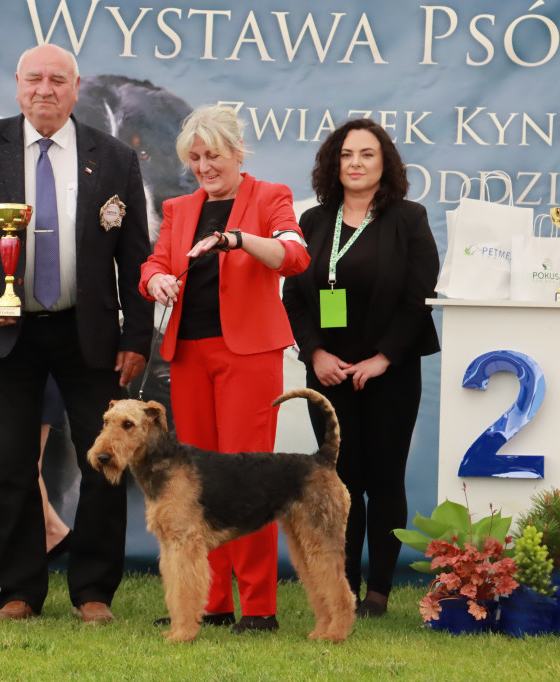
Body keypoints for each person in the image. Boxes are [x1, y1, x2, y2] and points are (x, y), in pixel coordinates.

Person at [0, 43, 152, 624]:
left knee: (103, 462)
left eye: (59, 79)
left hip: (91, 334)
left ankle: (94, 592)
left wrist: (137, 339)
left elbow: (136, 259)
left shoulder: (113, 158)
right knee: (7, 464)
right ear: (17, 85)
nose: (45, 89)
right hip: (7, 330)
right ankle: (20, 592)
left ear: (77, 88)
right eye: (35, 79)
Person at [140, 104, 310, 633]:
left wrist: (237, 240)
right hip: (187, 355)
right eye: (194, 159)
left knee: (248, 479)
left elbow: (293, 256)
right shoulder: (178, 208)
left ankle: (258, 607)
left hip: (249, 356)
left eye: (212, 155)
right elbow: (155, 264)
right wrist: (156, 283)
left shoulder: (270, 197)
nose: (204, 167)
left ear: (238, 153)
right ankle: (211, 603)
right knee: (198, 482)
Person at [281, 118, 440, 617]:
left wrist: (384, 357)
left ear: (384, 163)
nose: (355, 163)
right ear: (334, 162)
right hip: (328, 373)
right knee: (338, 480)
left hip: (389, 370)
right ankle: (344, 584)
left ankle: (380, 592)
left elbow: (420, 298)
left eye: (367, 154)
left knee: (385, 479)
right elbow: (295, 298)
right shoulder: (311, 222)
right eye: (347, 154)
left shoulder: (409, 219)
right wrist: (315, 354)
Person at [0, 360, 71, 560]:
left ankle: (27, 554)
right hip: (5, 367)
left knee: (24, 463)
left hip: (31, 365)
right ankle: (54, 534)